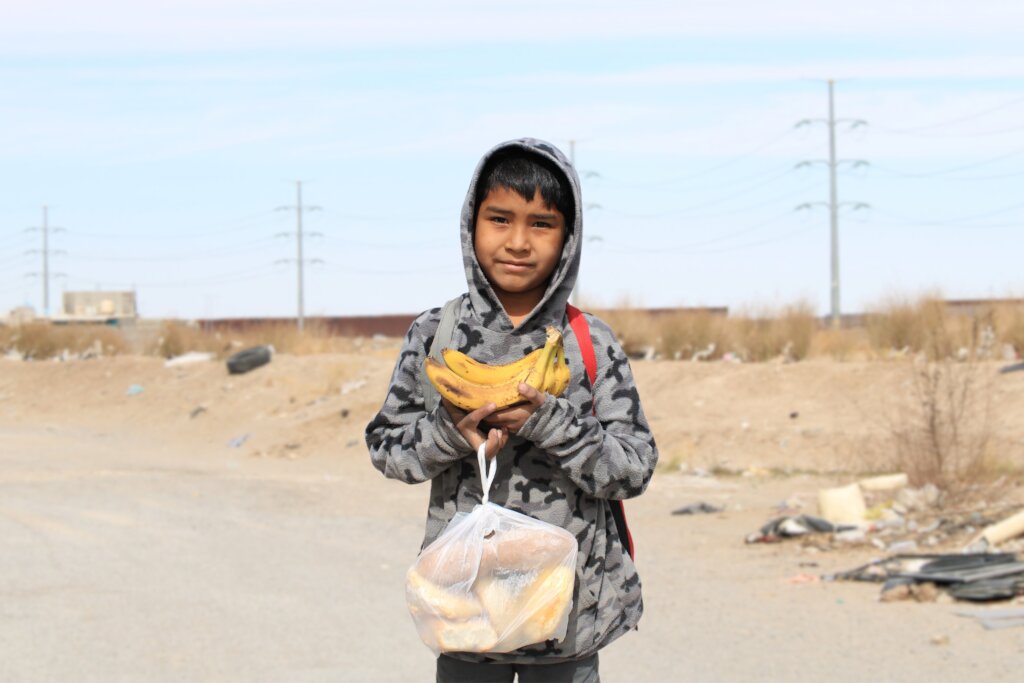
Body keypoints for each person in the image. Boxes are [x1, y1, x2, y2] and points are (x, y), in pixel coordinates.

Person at [365, 138, 658, 683]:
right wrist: (450, 435)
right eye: (499, 219)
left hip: (569, 625)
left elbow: (634, 468)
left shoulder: (588, 340)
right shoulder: (436, 334)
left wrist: (552, 424)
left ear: (568, 238)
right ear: (470, 223)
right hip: (466, 620)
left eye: (541, 224)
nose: (518, 242)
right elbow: (387, 451)